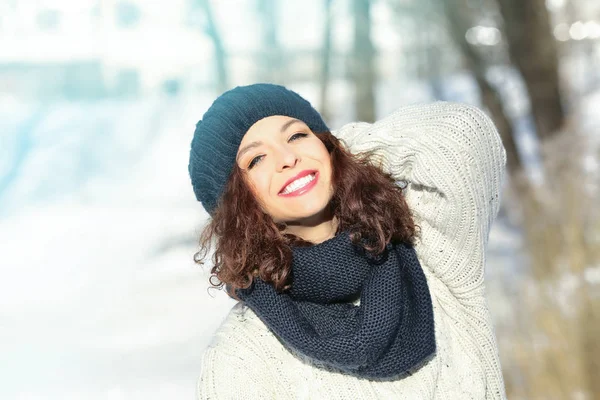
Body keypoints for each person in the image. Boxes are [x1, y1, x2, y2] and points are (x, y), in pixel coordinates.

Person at [188, 83, 507, 399]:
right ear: (236, 202)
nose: (287, 157)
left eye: (298, 135)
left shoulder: (428, 243)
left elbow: (466, 132)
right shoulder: (241, 356)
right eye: (256, 159)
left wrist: (340, 149)